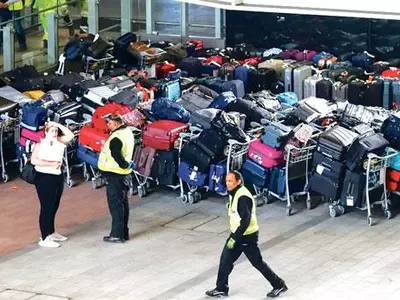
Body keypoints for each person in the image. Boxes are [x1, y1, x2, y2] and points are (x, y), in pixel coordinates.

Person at [206, 171, 288, 298]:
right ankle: (221, 288)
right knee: (225, 260)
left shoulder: (242, 196)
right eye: (227, 181)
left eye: (231, 181)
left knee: (257, 263)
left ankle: (279, 285)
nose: (228, 184)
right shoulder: (236, 193)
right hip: (239, 235)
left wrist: (234, 237)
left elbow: (246, 220)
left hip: (246, 237)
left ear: (238, 182)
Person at [31, 121, 75, 248]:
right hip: (44, 177)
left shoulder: (59, 142)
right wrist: (50, 164)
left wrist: (56, 124)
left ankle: (51, 231)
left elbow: (70, 135)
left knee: (55, 204)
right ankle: (45, 237)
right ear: (46, 132)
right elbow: (34, 160)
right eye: (52, 131)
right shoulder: (40, 144)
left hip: (57, 175)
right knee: (46, 206)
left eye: (56, 131)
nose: (54, 133)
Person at [98, 114, 135, 243]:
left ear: (116, 123)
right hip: (124, 174)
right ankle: (123, 233)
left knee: (116, 206)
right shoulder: (127, 132)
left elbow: (116, 155)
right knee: (123, 203)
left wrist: (124, 164)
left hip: (115, 175)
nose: (107, 125)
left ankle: (117, 235)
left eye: (109, 123)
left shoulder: (116, 137)